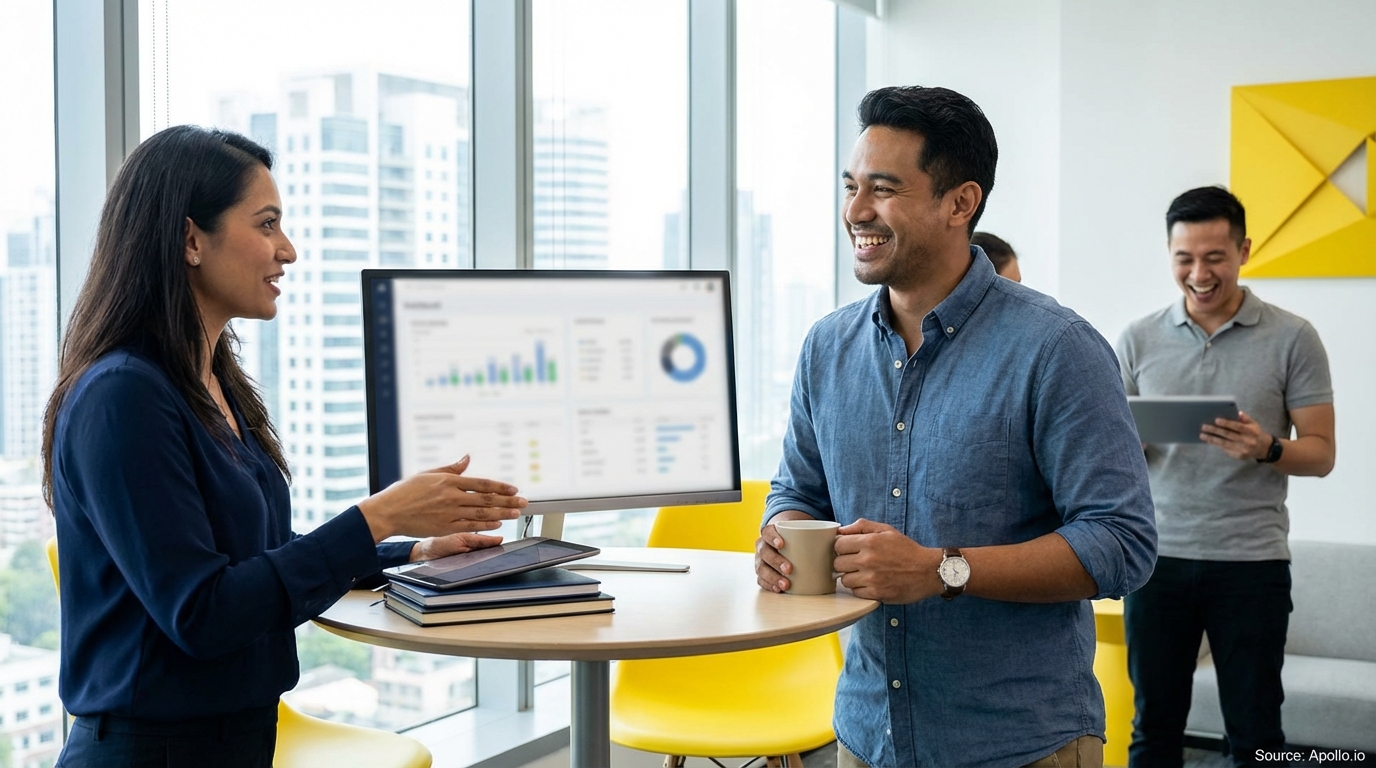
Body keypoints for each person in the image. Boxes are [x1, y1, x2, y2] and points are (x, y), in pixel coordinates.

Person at [41, 126, 528, 768]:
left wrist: (412, 548)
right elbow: (206, 611)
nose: (288, 251)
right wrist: (378, 514)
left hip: (234, 745)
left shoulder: (216, 384)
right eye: (267, 224)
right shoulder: (122, 397)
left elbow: (260, 562)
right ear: (191, 239)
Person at [754, 85, 1157, 768]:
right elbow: (797, 491)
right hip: (866, 736)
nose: (855, 211)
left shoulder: (1057, 348)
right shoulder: (826, 348)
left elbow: (1122, 543)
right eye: (851, 186)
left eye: (883, 189)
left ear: (960, 203)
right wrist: (781, 539)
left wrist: (942, 569)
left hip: (1019, 745)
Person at [1116, 186, 1336, 768]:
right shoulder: (1137, 338)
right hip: (1157, 561)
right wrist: (1129, 447)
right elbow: (1112, 459)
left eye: (1214, 257)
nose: (1199, 273)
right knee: (1153, 728)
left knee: (1257, 734)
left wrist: (1267, 448)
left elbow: (1321, 454)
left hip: (1252, 565)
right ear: (1169, 255)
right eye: (1184, 258)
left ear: (1243, 251)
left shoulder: (1293, 337)